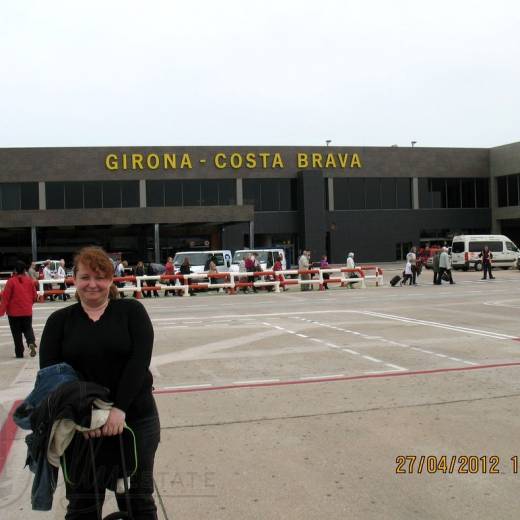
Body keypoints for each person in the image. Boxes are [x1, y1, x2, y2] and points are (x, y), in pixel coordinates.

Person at [39, 246, 160, 519]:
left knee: (137, 498)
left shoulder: (132, 312)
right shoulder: (59, 321)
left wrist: (119, 409)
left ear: (111, 279)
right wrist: (87, 415)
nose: (92, 284)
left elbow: (138, 364)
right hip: (82, 426)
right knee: (83, 501)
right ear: (74, 279)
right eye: (84, 277)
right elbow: (52, 376)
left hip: (134, 418)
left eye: (100, 277)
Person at [0, 261, 38, 358]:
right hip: (27, 311)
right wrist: (29, 304)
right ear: (24, 270)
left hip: (13, 313)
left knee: (16, 334)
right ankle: (31, 342)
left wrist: (1, 311)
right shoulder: (29, 281)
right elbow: (34, 296)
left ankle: (19, 353)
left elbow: (5, 298)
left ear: (15, 270)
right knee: (28, 328)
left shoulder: (11, 281)